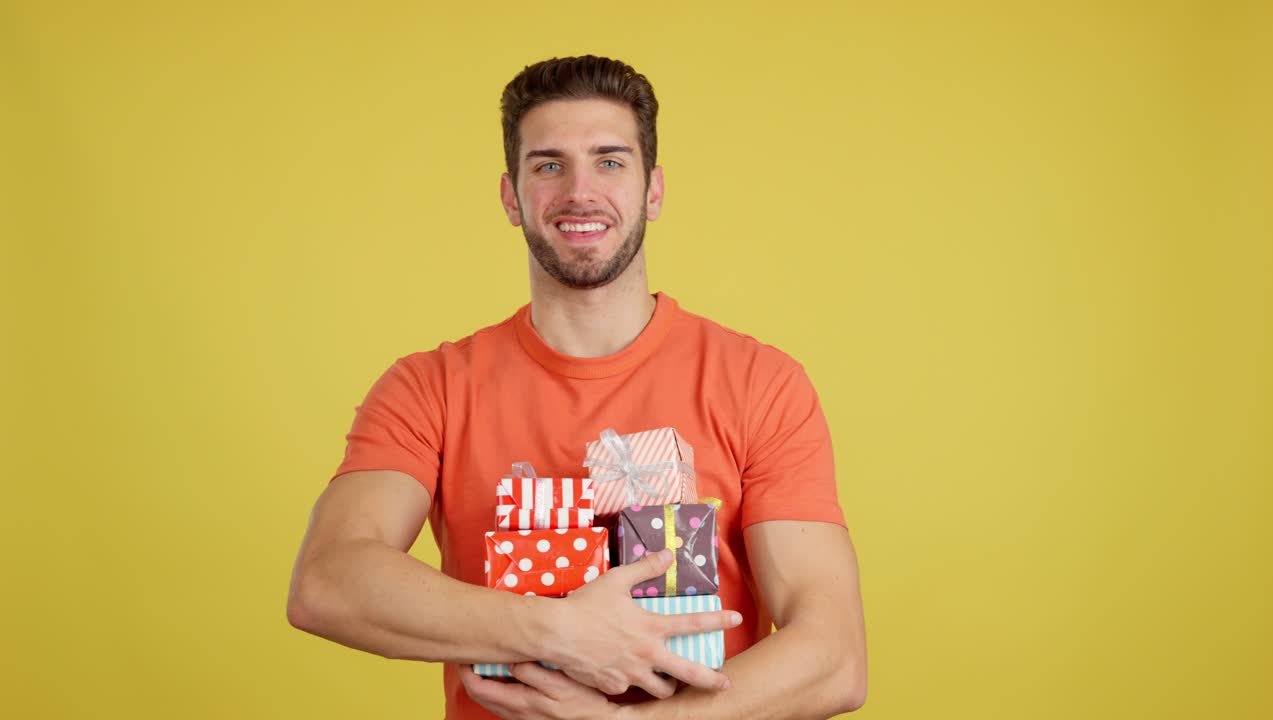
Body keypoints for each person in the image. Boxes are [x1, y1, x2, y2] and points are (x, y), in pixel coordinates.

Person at [287, 55, 867, 719]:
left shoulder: (760, 382)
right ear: (512, 196)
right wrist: (564, 631)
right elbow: (329, 582)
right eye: (549, 165)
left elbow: (835, 656)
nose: (579, 191)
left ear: (653, 190)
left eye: (611, 161)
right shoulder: (430, 387)